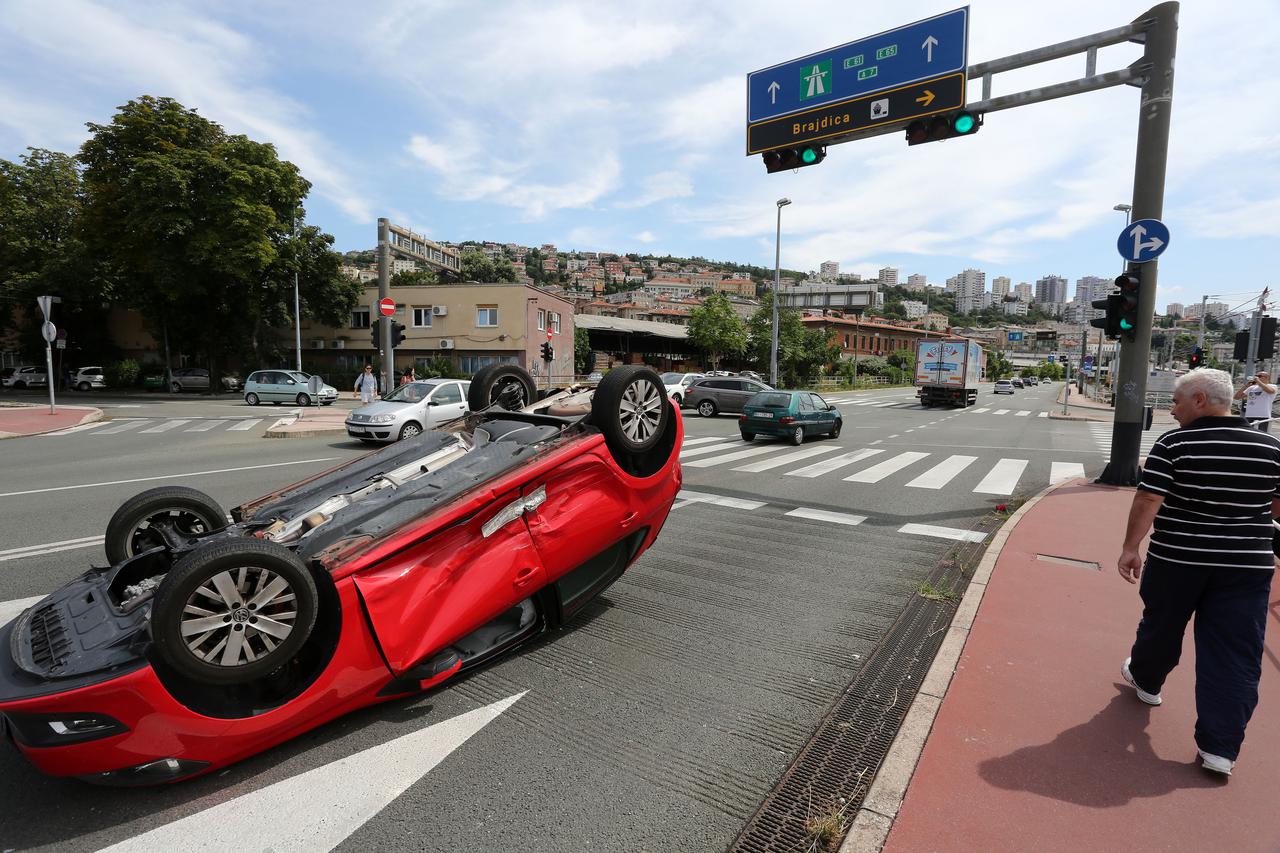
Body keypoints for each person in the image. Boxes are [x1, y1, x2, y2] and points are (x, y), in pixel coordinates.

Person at [1117, 368, 1280, 776]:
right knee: (1235, 652)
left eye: (1175, 401)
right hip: (1246, 566)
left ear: (1200, 400)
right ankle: (1220, 750)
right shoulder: (1272, 447)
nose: (1171, 409)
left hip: (1179, 559)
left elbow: (1149, 497)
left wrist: (1130, 547)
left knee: (1162, 625)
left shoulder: (1174, 443)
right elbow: (1276, 507)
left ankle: (1148, 683)